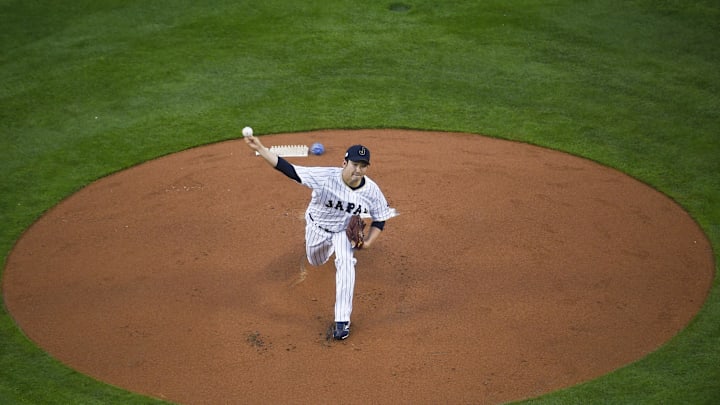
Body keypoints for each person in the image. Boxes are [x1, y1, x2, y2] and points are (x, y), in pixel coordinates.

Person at [244, 134, 394, 340]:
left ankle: (342, 321)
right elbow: (289, 170)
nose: (358, 170)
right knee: (316, 260)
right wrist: (261, 148)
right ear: (344, 162)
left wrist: (367, 243)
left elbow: (380, 219)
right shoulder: (325, 177)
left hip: (342, 231)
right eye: (354, 164)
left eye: (363, 166)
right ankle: (325, 249)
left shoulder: (371, 191)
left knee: (346, 262)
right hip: (317, 227)